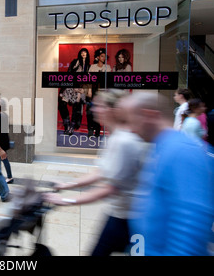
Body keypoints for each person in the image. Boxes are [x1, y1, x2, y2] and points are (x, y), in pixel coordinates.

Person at [44, 89, 147, 256]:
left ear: (113, 110)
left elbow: (109, 189)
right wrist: (68, 184)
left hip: (133, 219)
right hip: (120, 213)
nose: (93, 109)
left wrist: (65, 200)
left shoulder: (124, 141)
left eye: (99, 106)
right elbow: (102, 172)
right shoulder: (114, 137)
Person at [124, 92, 213, 255]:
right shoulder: (161, 148)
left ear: (148, 115)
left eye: (131, 121)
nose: (131, 129)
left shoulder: (182, 152)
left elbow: (188, 234)